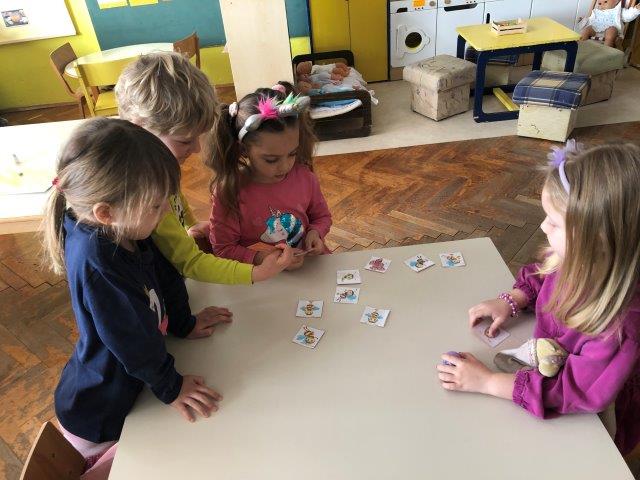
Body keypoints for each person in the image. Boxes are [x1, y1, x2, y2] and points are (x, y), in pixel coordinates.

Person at [42, 118, 227, 467]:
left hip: (134, 390)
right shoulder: (98, 260)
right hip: (101, 415)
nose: (164, 212)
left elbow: (165, 275)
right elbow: (131, 339)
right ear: (106, 213)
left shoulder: (128, 227)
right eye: (156, 205)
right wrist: (172, 387)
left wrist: (184, 323)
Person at [437, 141, 640, 456]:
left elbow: (572, 391)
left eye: (554, 222)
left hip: (593, 416)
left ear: (597, 240)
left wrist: (488, 382)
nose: (543, 226)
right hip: (548, 366)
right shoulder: (577, 257)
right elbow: (543, 273)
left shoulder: (620, 326)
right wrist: (514, 298)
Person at [115, 52, 293, 292]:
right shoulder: (146, 188)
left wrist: (192, 227)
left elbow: (178, 205)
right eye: (185, 140)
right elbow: (191, 262)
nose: (197, 149)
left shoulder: (160, 163)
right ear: (140, 128)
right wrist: (257, 272)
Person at [206, 83, 332, 270]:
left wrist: (316, 232)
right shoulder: (229, 191)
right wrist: (263, 258)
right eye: (271, 160)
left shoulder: (305, 177)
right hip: (263, 275)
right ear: (243, 150)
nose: (285, 166)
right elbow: (223, 248)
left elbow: (322, 217)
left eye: (292, 153)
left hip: (309, 267)